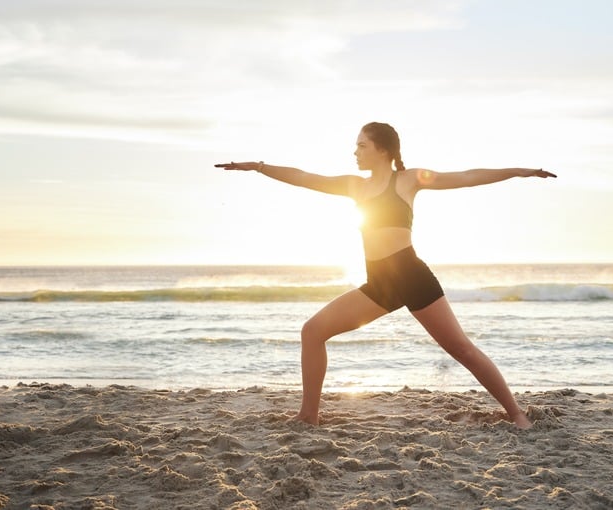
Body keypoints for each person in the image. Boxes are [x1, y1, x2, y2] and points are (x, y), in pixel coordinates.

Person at [216, 122, 556, 429]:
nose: (355, 151)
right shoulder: (354, 186)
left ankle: (516, 414)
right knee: (313, 331)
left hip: (411, 276)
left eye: (362, 145)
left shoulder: (406, 180)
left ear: (382, 149)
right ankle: (309, 414)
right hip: (379, 284)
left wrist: (518, 171)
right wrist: (259, 168)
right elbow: (305, 178)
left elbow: (466, 176)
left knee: (461, 349)